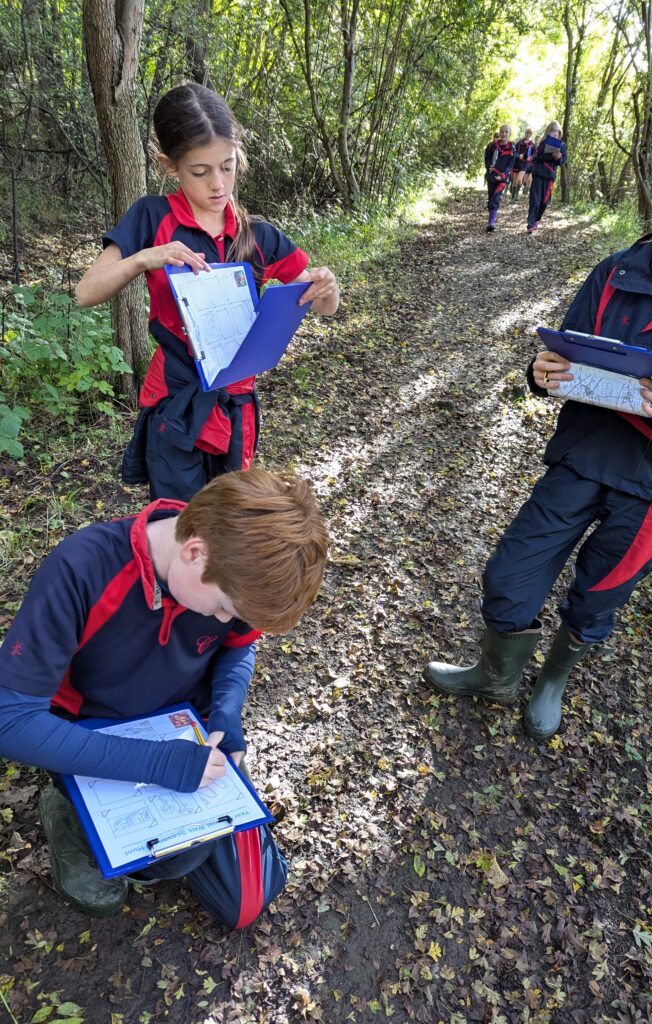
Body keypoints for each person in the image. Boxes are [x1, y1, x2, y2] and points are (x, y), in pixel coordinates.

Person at [424, 112, 652, 741]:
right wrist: (542, 371)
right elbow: (566, 354)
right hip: (583, 453)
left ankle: (551, 681)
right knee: (510, 574)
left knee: (600, 592)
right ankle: (497, 674)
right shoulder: (616, 270)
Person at [0, 467, 328, 923]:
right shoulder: (82, 569)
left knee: (216, 883)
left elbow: (238, 650)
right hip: (90, 732)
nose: (220, 621)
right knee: (165, 859)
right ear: (194, 552)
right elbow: (11, 720)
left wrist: (227, 714)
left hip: (185, 729)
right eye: (221, 608)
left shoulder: (233, 571)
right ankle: (65, 813)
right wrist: (157, 764)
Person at [75, 82, 340, 502]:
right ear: (170, 166)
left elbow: (324, 305)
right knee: (178, 523)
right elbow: (86, 292)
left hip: (236, 403)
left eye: (228, 166)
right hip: (175, 400)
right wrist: (145, 257)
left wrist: (327, 285)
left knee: (228, 520)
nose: (218, 184)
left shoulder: (257, 236)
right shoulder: (153, 218)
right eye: (200, 172)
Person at [527, 120, 566, 233]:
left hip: (550, 177)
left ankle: (536, 220)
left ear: (559, 134)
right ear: (548, 133)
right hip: (539, 174)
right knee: (535, 200)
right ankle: (530, 224)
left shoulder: (562, 146)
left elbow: (562, 162)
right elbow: (538, 157)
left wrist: (558, 157)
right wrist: (551, 155)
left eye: (556, 134)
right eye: (552, 133)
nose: (554, 135)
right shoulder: (543, 144)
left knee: (544, 202)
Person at [483, 124, 517, 232]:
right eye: (502, 131)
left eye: (506, 132)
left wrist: (503, 175)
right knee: (491, 197)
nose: (504, 134)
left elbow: (511, 164)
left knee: (496, 198)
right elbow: (487, 158)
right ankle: (491, 217)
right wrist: (490, 167)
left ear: (509, 134)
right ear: (500, 132)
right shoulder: (493, 146)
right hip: (492, 176)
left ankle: (491, 222)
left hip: (502, 179)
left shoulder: (512, 148)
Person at [510, 129, 534, 202]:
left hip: (525, 164)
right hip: (517, 163)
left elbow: (535, 154)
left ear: (531, 135)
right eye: (527, 133)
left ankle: (517, 193)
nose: (527, 135)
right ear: (525, 133)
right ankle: (513, 198)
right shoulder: (519, 143)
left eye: (529, 133)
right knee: (514, 181)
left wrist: (531, 157)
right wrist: (518, 155)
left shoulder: (532, 144)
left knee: (519, 180)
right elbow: (514, 152)